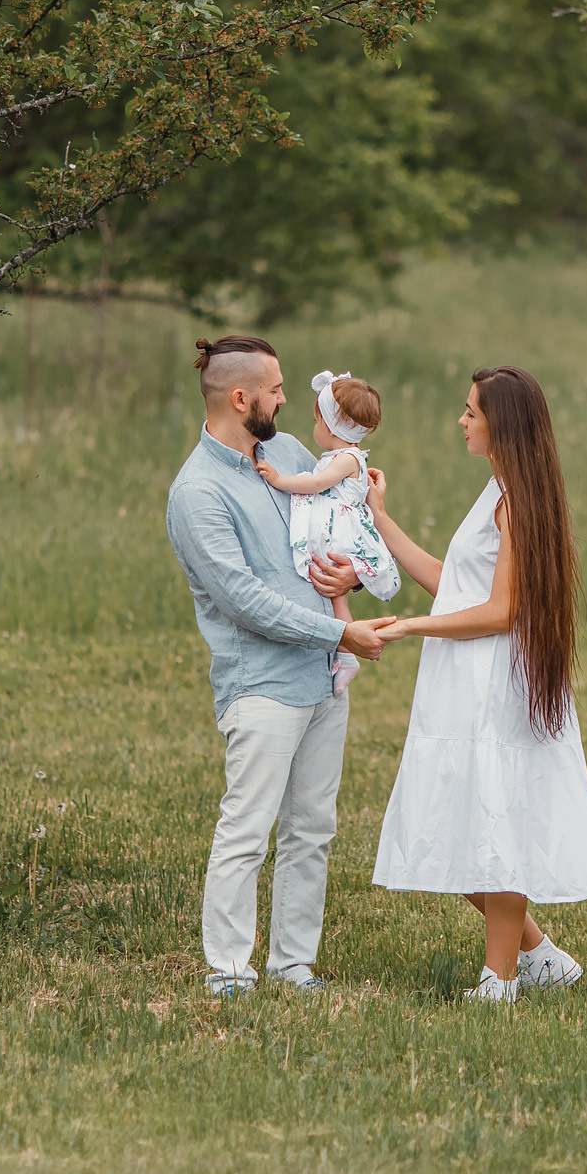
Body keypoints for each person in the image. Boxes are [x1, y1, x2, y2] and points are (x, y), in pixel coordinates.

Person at [368, 365, 587, 1003]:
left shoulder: (517, 502)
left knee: (495, 825)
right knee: (455, 824)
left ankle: (499, 978)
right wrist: (379, 519)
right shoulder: (499, 491)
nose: (461, 421)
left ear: (499, 424)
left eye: (471, 412)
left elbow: (503, 611)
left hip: (495, 682)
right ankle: (541, 957)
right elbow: (456, 583)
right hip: (467, 678)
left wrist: (409, 629)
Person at [165, 335, 396, 998]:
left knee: (312, 830)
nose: (287, 397)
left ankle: (293, 966)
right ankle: (228, 971)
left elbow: (333, 529)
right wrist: (341, 632)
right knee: (247, 829)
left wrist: (351, 569)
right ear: (241, 398)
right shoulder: (197, 493)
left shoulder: (292, 454)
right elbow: (244, 601)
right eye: (276, 387)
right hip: (264, 684)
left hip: (324, 677)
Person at [257, 370, 401, 699]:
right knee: (334, 592)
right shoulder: (345, 457)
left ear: (332, 426)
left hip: (339, 533)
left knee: (329, 582)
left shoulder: (347, 458)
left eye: (316, 420)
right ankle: (346, 655)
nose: (314, 426)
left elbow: (315, 485)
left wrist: (279, 480)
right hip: (336, 528)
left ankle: (345, 652)